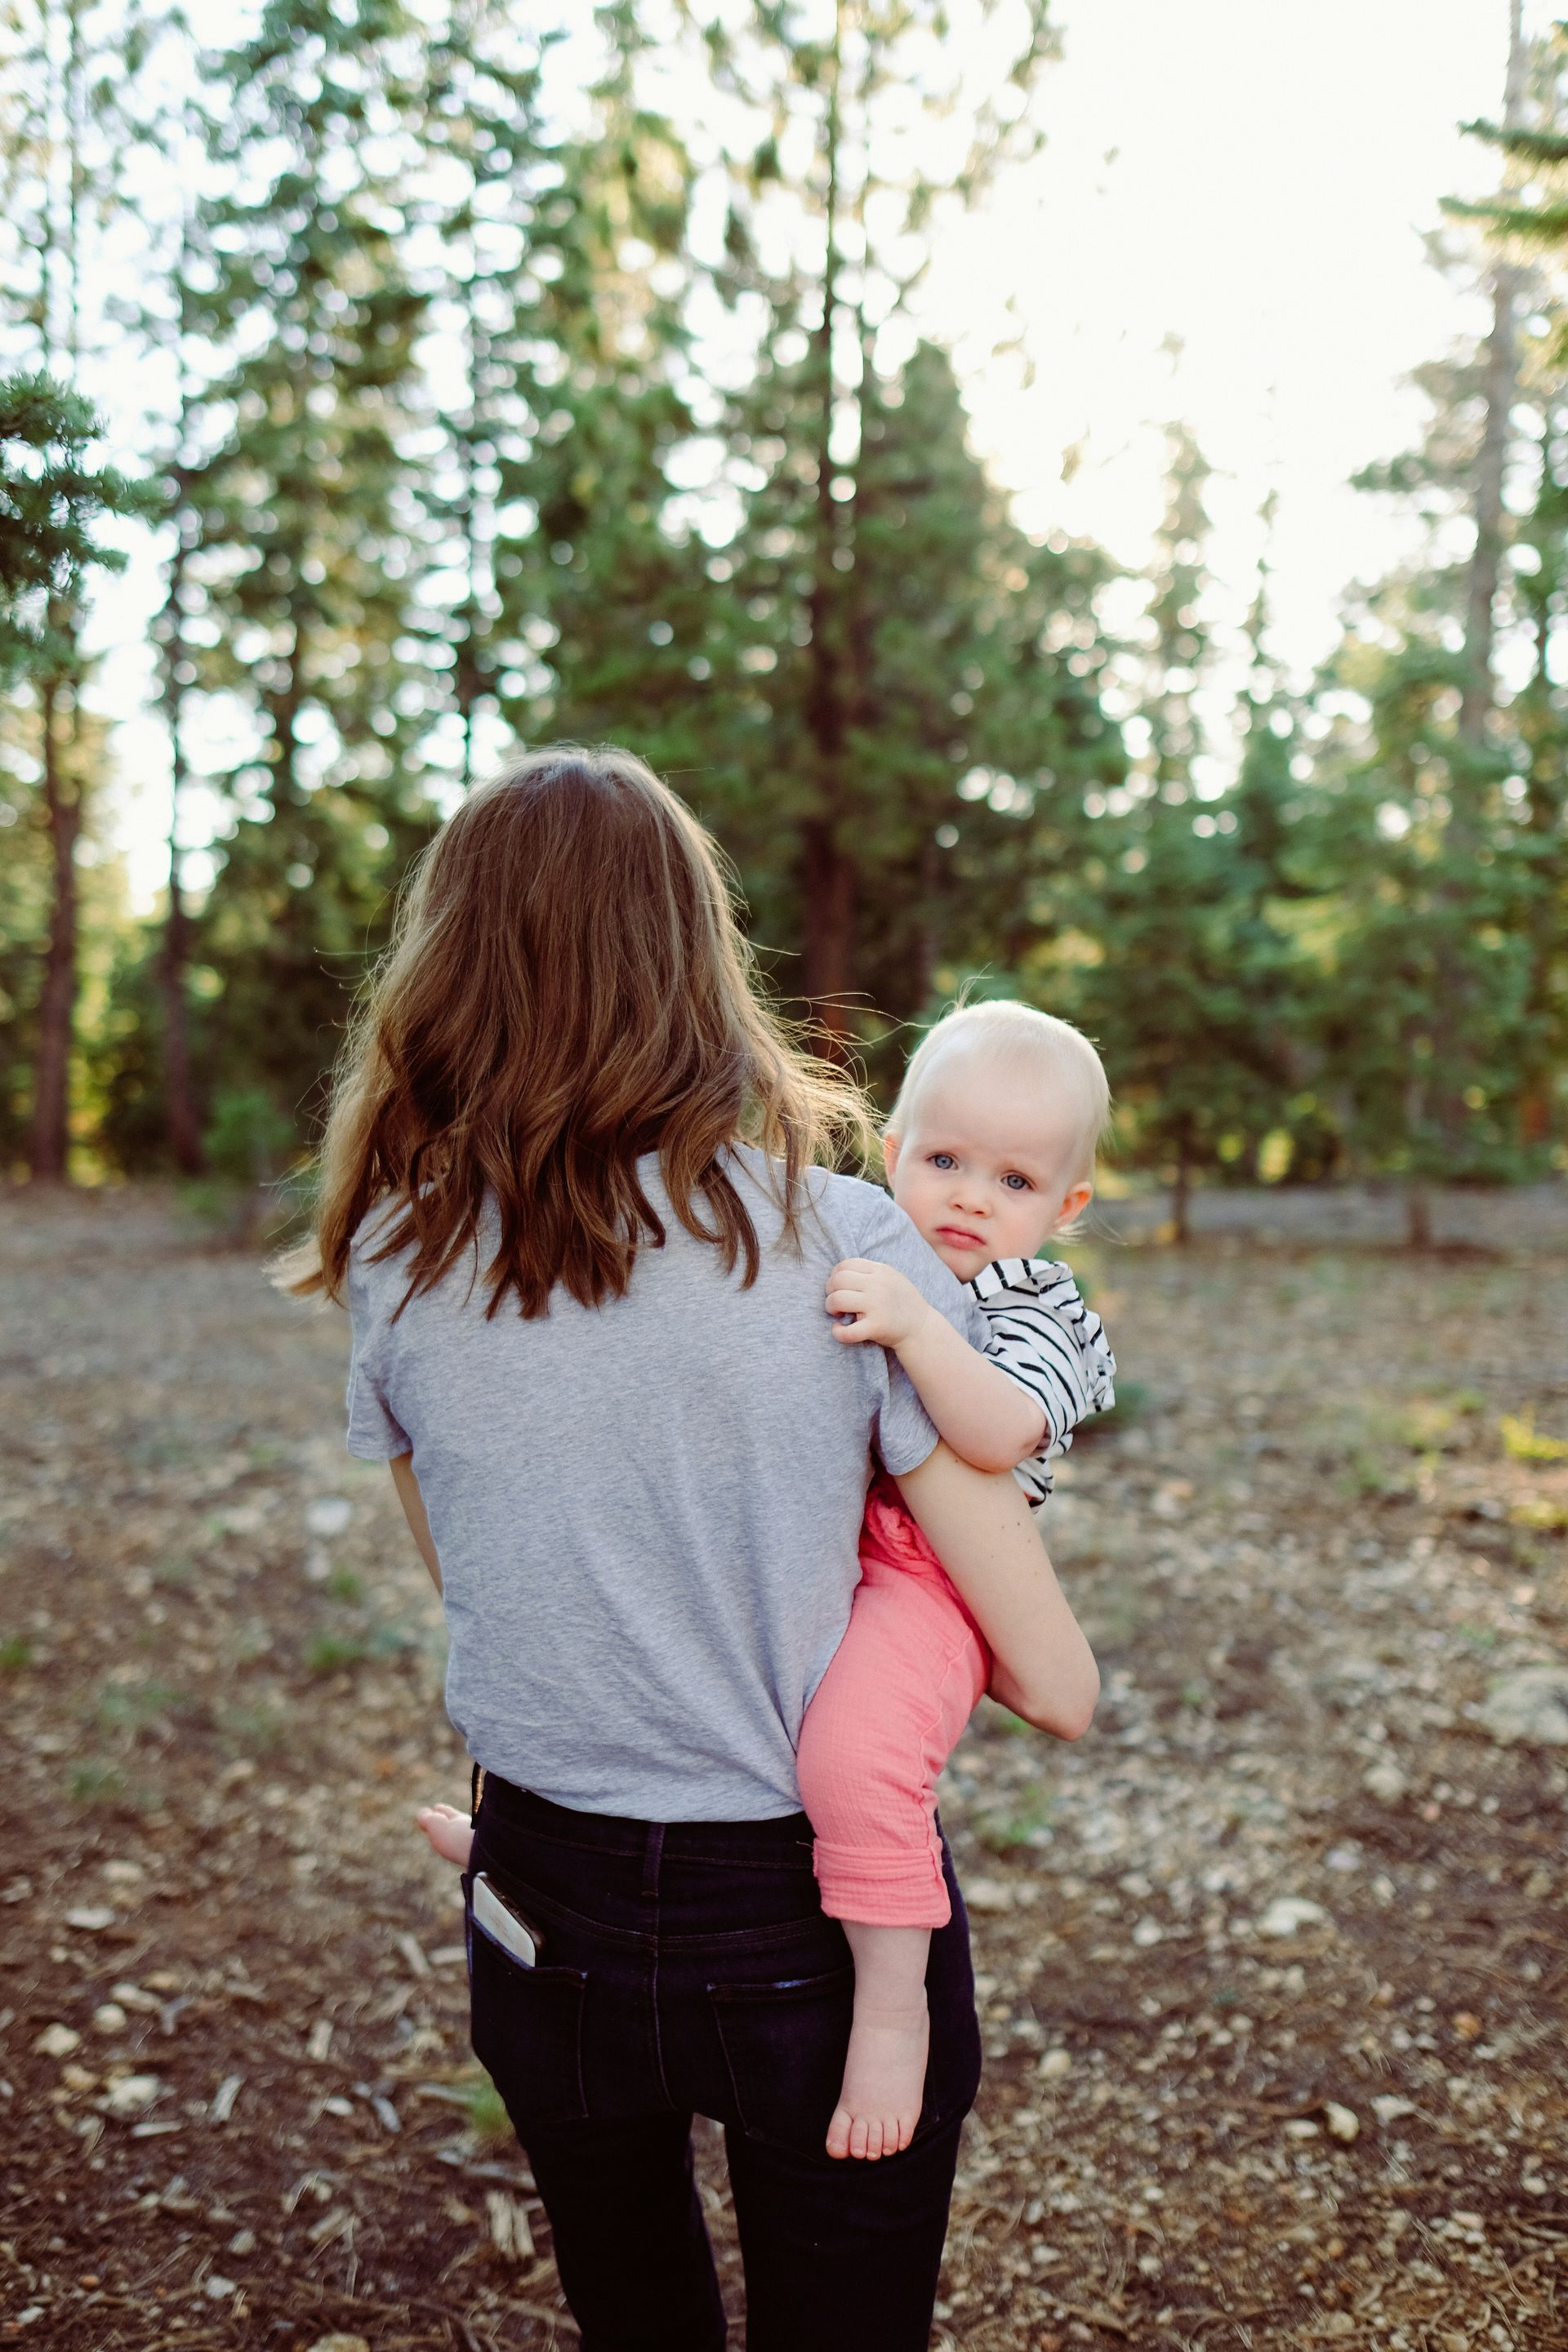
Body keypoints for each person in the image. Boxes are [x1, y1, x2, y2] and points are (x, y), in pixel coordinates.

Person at [293, 746, 1098, 2352]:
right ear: (693, 966)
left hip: (542, 1891)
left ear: (447, 966)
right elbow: (1052, 1680)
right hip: (802, 1901)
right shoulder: (848, 1242)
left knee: (634, 2312)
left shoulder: (397, 1252)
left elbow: (492, 1586)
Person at [424, 998, 1116, 2163]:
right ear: (892, 1152)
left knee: (851, 1758)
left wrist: (912, 1327)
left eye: (1013, 1182)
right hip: (837, 1543)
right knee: (687, 1627)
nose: (970, 1199)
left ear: (1065, 1209)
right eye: (944, 1161)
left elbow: (996, 1436)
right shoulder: (836, 1240)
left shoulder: (1035, 1308)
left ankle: (891, 2010)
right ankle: (540, 1855)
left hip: (927, 1581)